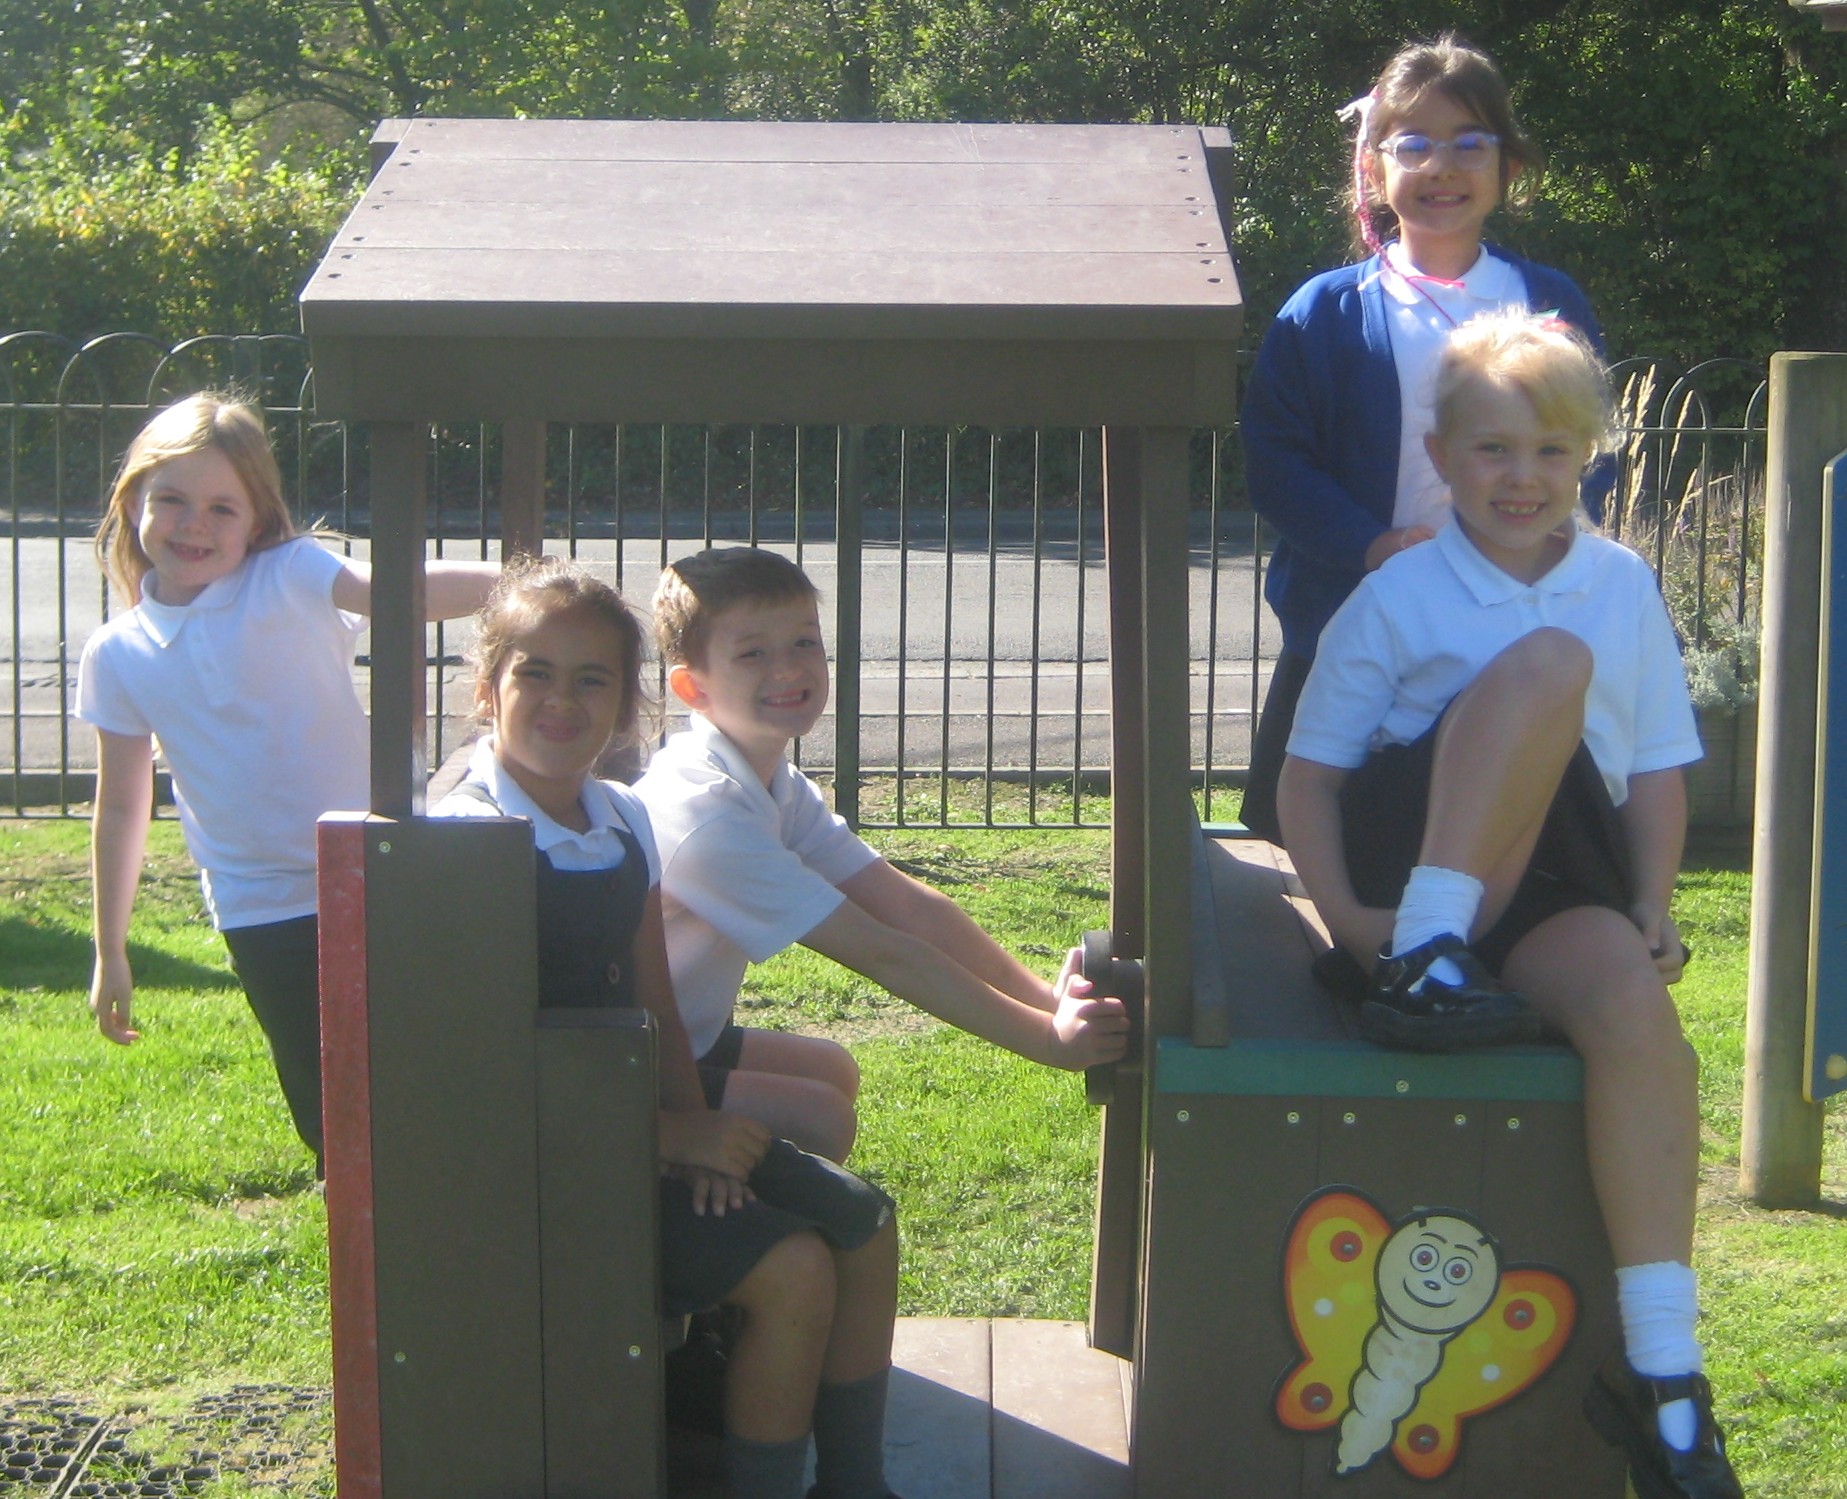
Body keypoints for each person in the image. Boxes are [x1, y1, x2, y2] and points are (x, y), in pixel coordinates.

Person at [1276, 312, 1739, 1499]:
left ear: (1586, 454)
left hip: (1549, 877)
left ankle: (1662, 1369)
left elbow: (1652, 767)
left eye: (1548, 450)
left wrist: (1648, 902)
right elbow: (1308, 776)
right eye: (1490, 449)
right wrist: (1350, 921)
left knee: (1636, 1014)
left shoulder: (1617, 582)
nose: (1520, 476)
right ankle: (1420, 955)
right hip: (1412, 859)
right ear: (1440, 456)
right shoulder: (1398, 592)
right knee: (1546, 665)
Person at [434, 559, 902, 1499]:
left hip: (642, 1134)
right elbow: (472, 1078)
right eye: (535, 673)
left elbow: (655, 1007)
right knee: (793, 1268)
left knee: (864, 1222)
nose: (563, 700)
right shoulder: (465, 840)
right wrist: (665, 1137)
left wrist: (697, 1134)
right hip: (538, 1176)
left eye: (593, 679)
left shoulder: (619, 819)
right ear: (486, 690)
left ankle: (853, 1482)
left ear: (627, 705)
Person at [77, 392, 499, 1163]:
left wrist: (529, 581)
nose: (193, 524)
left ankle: (452, 1194)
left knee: (431, 1065)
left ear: (257, 517)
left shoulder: (291, 574)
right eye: (171, 499)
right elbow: (122, 809)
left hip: (378, 867)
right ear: (133, 500)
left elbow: (401, 588)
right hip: (258, 903)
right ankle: (367, 1222)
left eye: (222, 507)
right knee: (329, 1103)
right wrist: (111, 949)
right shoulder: (117, 653)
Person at [635, 547, 1127, 1163]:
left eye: (804, 642)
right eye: (753, 652)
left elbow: (911, 908)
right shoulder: (704, 812)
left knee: (833, 1071)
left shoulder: (773, 784)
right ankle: (695, 1213)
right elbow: (883, 952)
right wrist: (1048, 1042)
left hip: (681, 1037)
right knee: (819, 1115)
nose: (789, 668)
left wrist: (1046, 1003)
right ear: (692, 687)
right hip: (614, 1060)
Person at [1239, 32, 1607, 845]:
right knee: (1338, 839)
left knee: (1501, 838)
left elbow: (1589, 444)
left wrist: (1534, 544)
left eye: (1470, 143)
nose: (1442, 166)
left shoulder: (1548, 300)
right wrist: (1377, 548)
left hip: (1512, 621)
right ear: (1373, 169)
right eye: (1414, 145)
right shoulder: (1322, 313)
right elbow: (1275, 464)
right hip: (1351, 616)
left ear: (1508, 167)